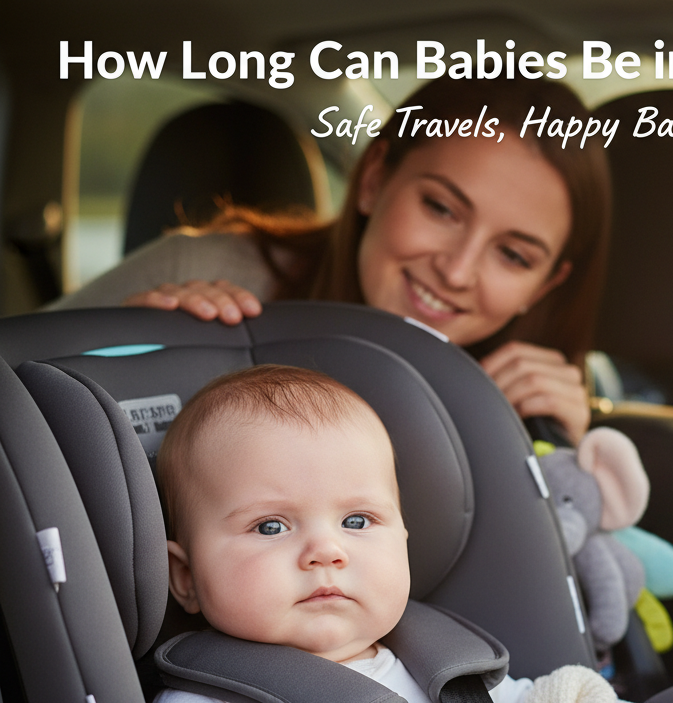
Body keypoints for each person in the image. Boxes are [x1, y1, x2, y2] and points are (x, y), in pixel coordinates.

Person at [150, 364, 673, 703]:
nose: (326, 551)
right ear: (186, 576)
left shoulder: (435, 660)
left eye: (357, 521)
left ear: (403, 538)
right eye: (270, 526)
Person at [49, 78, 608, 444]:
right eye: (440, 208)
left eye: (512, 255)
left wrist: (548, 451)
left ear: (545, 283)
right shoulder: (202, 276)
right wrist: (119, 358)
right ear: (372, 180)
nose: (458, 271)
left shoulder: (532, 408)